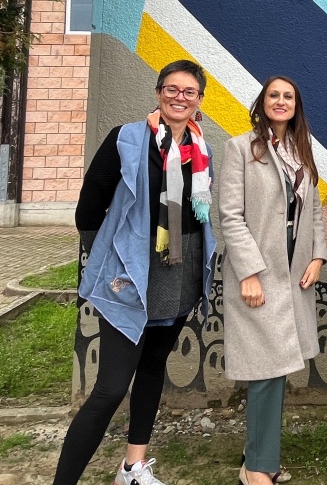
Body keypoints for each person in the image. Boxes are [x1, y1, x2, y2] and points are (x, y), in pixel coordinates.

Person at [53, 60, 217, 485]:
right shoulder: (126, 139)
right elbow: (89, 208)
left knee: (152, 367)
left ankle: (132, 467)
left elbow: (197, 216)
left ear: (199, 100)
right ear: (159, 92)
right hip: (130, 276)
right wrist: (112, 258)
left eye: (189, 91)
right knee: (109, 388)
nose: (179, 97)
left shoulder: (201, 149)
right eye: (171, 89)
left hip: (180, 273)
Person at [219, 76, 327, 485]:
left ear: (296, 105)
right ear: (262, 102)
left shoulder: (301, 149)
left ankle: (258, 458)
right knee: (266, 369)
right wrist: (248, 271)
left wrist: (318, 255)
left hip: (293, 273)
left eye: (288, 96)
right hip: (259, 273)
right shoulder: (241, 148)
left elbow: (313, 210)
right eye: (273, 95)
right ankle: (257, 468)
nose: (281, 101)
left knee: (277, 369)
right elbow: (230, 216)